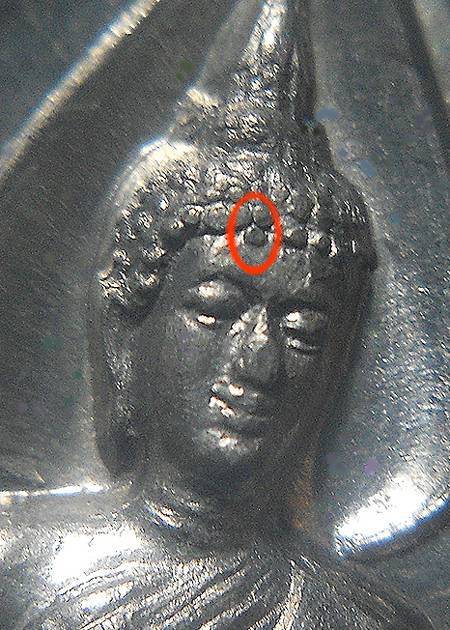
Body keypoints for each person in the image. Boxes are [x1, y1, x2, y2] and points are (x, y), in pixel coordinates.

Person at [0, 1, 433, 627]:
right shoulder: (17, 561)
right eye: (214, 309)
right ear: (127, 335)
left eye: (302, 330)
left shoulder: (353, 617)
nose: (257, 360)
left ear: (336, 369)